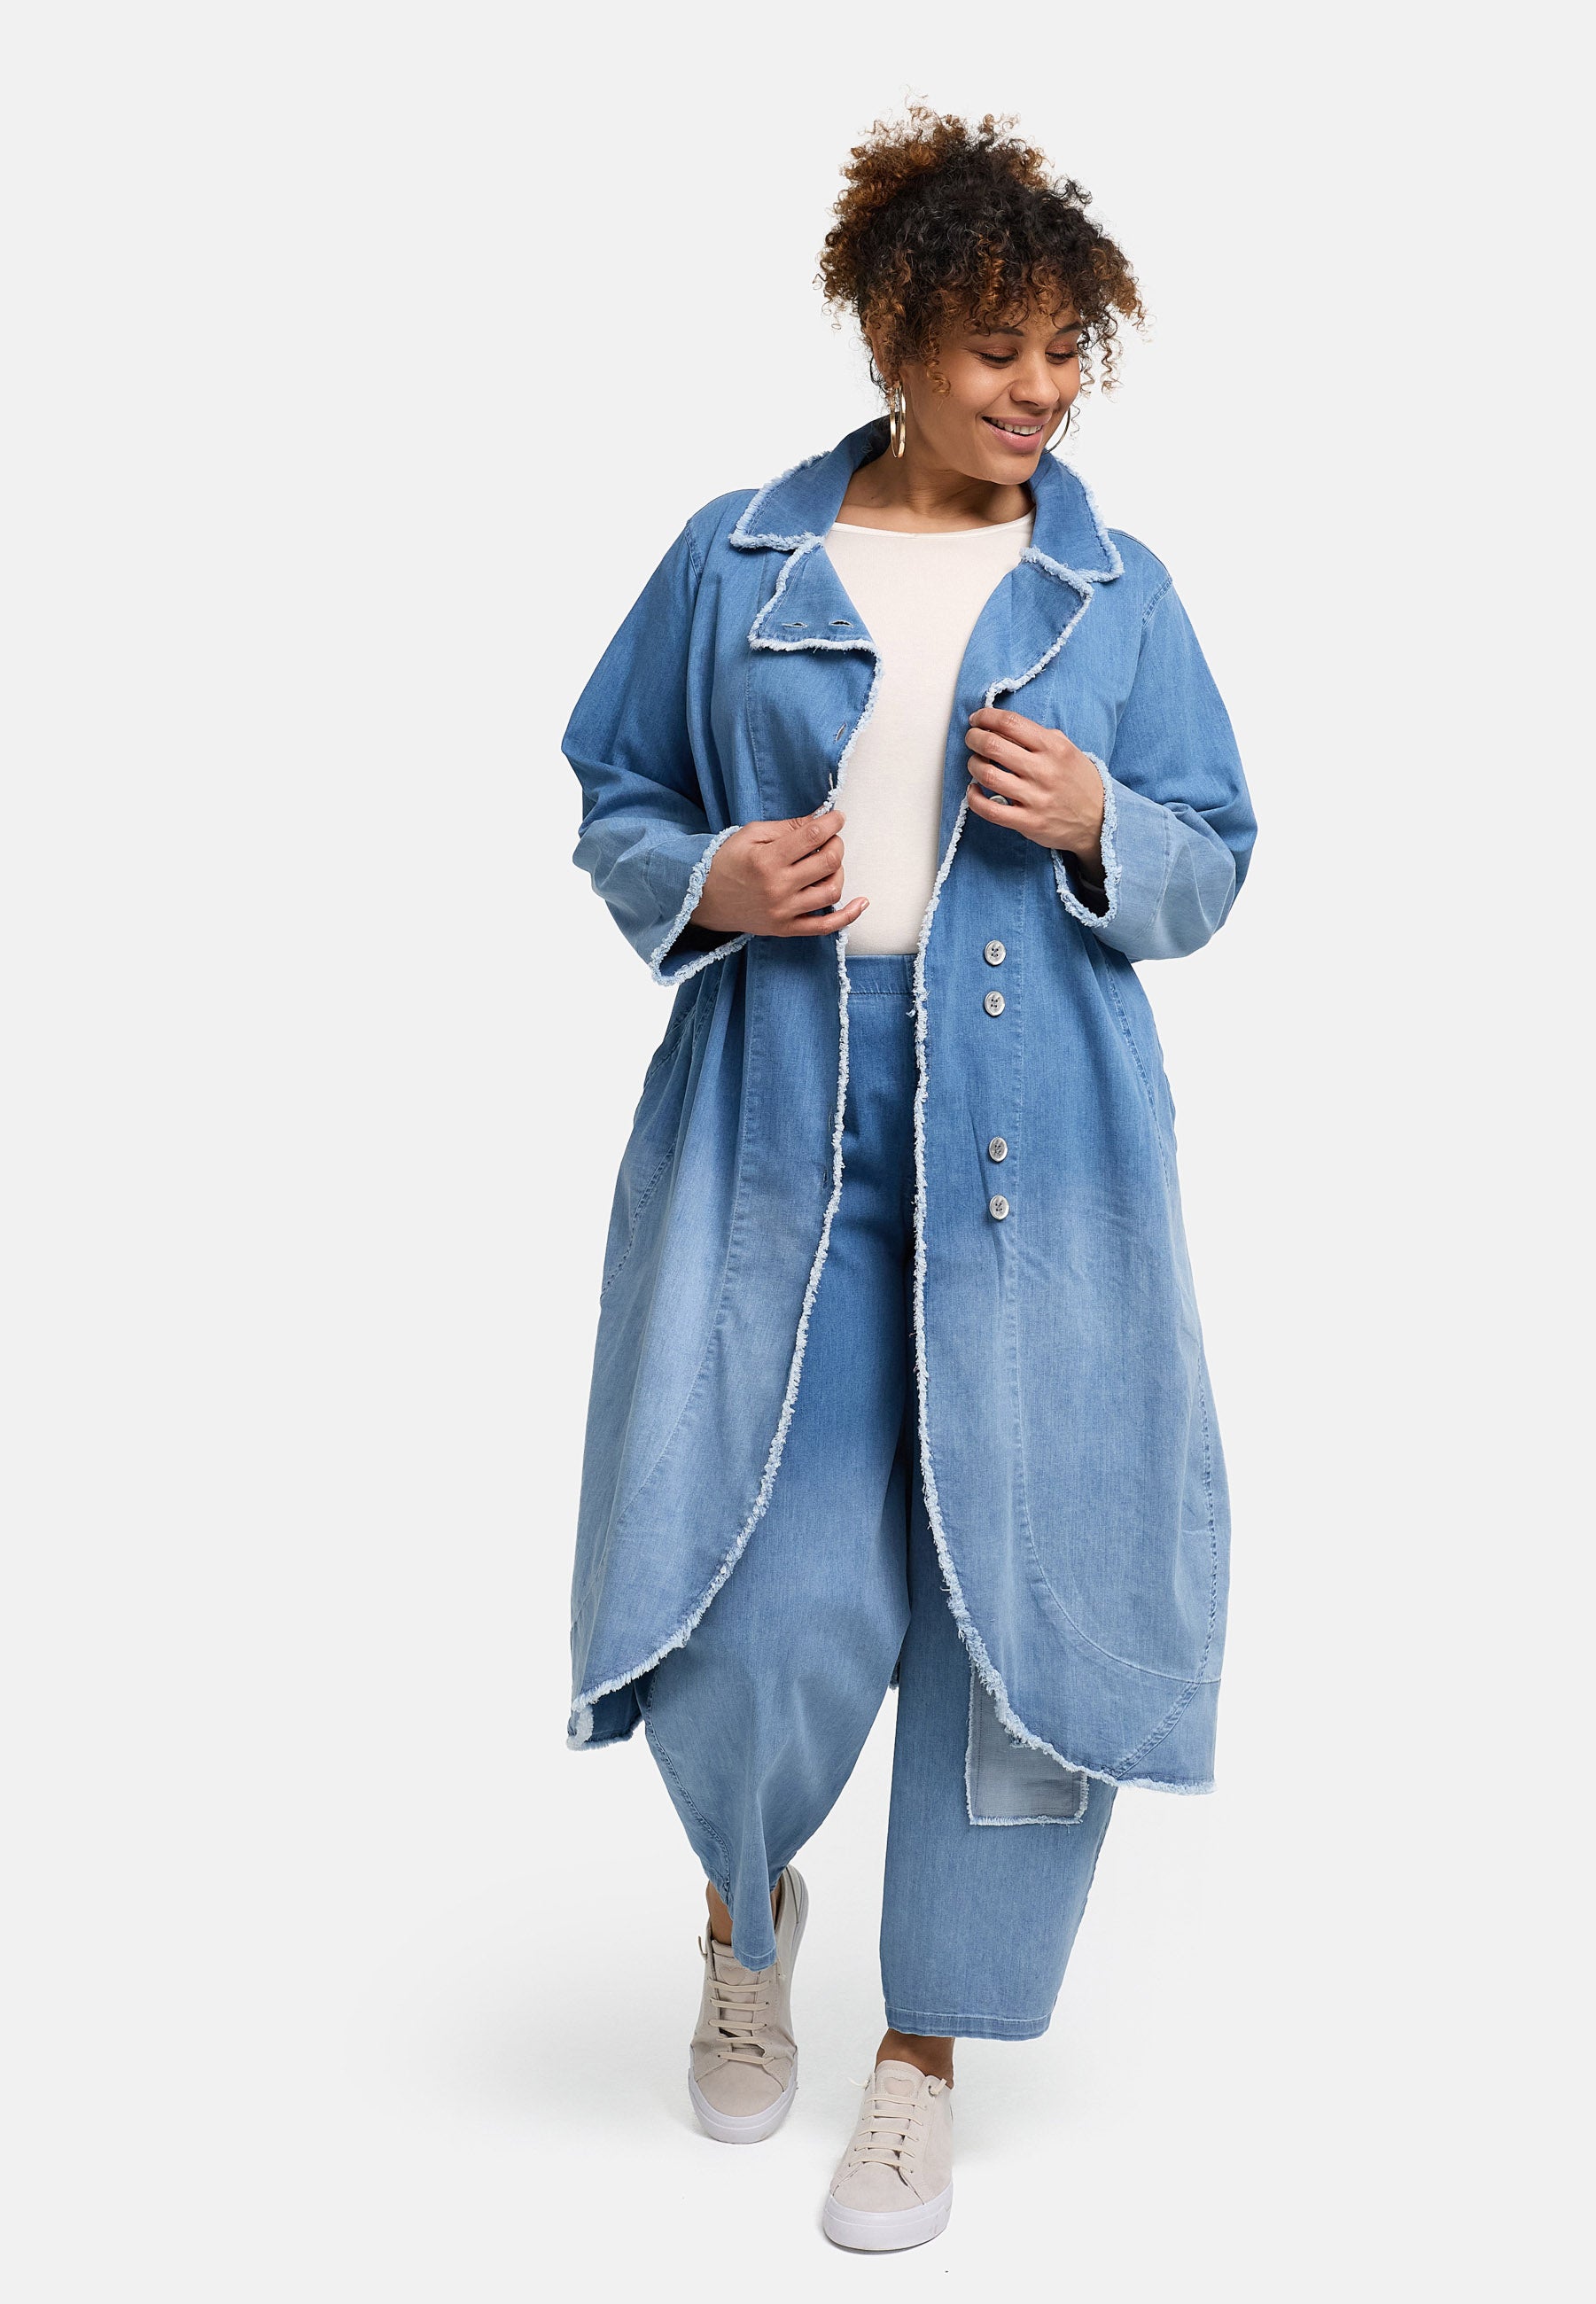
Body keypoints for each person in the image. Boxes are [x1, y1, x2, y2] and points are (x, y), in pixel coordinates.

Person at [559, 105, 1256, 2252]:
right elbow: (614, 791)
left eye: (1064, 352)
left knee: (1012, 1606)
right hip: (781, 1138)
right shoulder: (733, 559)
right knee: (760, 1598)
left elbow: (1215, 854)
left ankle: (923, 2057)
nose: (1038, 391)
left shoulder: (1115, 593)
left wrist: (1103, 827)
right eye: (994, 350)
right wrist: (709, 880)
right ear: (890, 341)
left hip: (1046, 1168)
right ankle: (741, 1910)